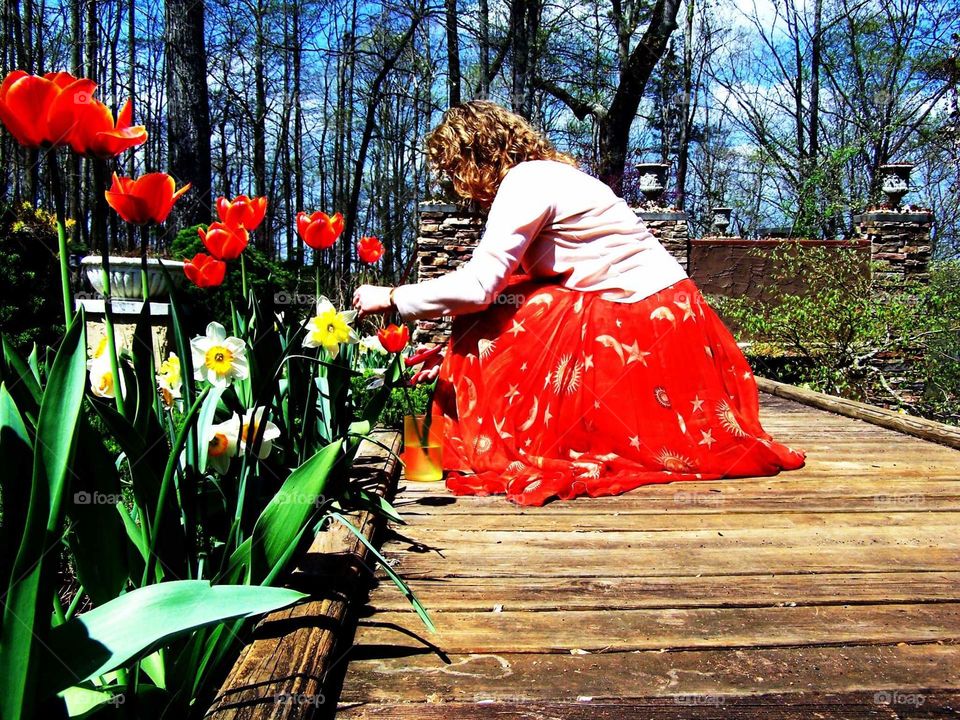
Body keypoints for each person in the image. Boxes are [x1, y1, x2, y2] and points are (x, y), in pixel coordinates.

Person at [352, 100, 806, 506]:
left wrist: (392, 297)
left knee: (496, 309)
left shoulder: (525, 183)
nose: (456, 185)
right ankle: (433, 447)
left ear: (476, 156)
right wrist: (457, 353)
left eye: (454, 169)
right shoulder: (556, 177)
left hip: (642, 320)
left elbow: (478, 286)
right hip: (675, 316)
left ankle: (434, 455)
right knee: (507, 306)